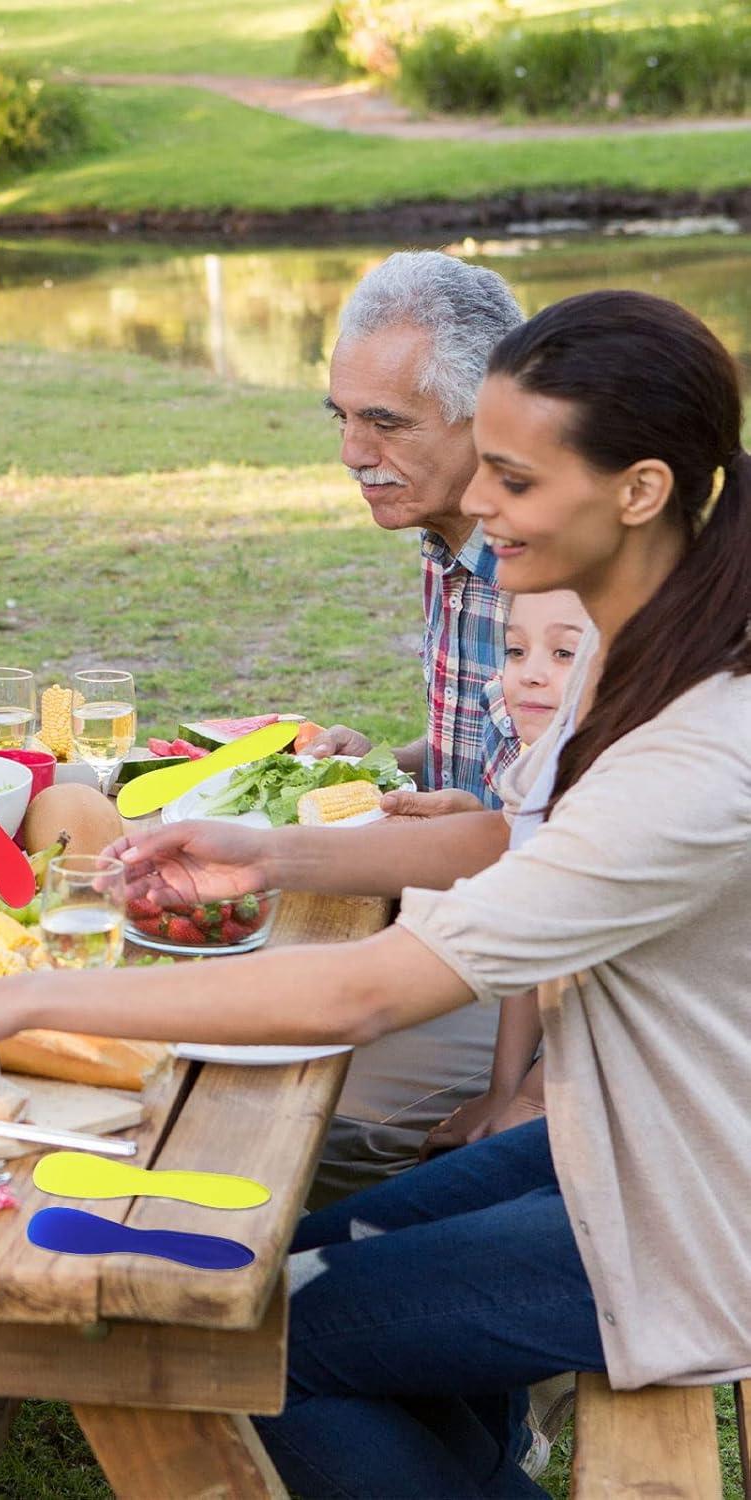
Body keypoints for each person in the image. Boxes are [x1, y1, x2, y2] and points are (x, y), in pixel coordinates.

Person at [0, 289, 751, 1496]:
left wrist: (20, 1001)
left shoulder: (698, 743)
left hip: (696, 1212)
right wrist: (272, 854)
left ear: (640, 490)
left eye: (515, 482)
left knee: (249, 1338)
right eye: (481, 465)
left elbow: (371, 990)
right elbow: (513, 839)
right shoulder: (639, 643)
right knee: (285, 1258)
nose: (479, 504)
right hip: (619, 1138)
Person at [299, 251, 527, 1201]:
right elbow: (489, 754)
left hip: (543, 978)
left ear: (492, 416)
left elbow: (534, 834)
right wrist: (384, 763)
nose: (354, 453)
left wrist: (254, 851)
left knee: (296, 1093)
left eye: (386, 422)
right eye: (343, 417)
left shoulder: (543, 571)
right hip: (461, 925)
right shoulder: (443, 535)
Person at [420, 588, 589, 1160]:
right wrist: (503, 1088)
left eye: (565, 654)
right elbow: (529, 939)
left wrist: (533, 1099)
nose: (530, 675)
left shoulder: (629, 782)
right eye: (516, 652)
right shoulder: (544, 760)